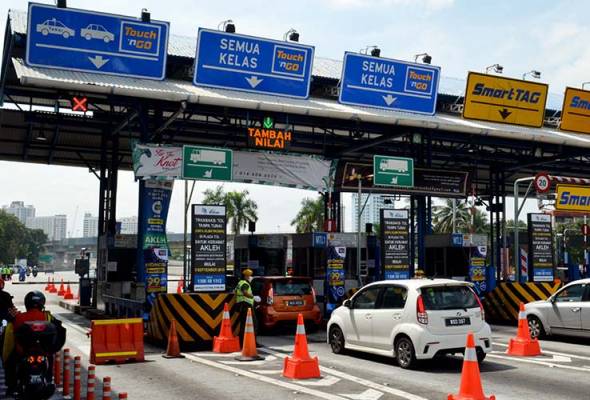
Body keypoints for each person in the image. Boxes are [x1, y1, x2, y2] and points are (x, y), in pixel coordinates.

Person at [2, 291, 65, 396]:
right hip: (42, 352)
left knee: (9, 363)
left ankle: (12, 387)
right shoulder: (47, 316)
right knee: (50, 357)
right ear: (42, 304)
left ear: (27, 303)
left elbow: (8, 338)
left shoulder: (18, 317)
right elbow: (59, 329)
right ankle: (49, 379)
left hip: (22, 352)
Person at [235, 269, 258, 344]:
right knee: (253, 324)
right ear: (245, 276)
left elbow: (235, 292)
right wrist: (253, 297)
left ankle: (242, 342)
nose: (250, 277)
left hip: (242, 305)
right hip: (246, 305)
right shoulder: (245, 284)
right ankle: (253, 342)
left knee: (243, 324)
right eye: (249, 276)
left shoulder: (240, 283)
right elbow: (245, 292)